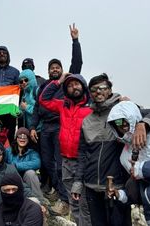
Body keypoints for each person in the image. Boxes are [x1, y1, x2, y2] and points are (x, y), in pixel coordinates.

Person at [71, 73, 150, 226]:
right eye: (94, 89)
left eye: (103, 87)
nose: (98, 92)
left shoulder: (122, 109)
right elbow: (83, 153)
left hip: (117, 185)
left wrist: (143, 124)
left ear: (109, 90)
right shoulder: (87, 121)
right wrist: (77, 182)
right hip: (91, 186)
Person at [30, 23, 82, 215]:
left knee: (61, 164)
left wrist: (75, 40)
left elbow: (77, 64)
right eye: (51, 67)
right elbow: (38, 107)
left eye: (57, 67)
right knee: (47, 163)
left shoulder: (66, 84)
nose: (54, 69)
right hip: (45, 129)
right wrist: (33, 127)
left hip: (62, 126)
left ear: (61, 70)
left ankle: (65, 199)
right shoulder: (44, 87)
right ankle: (61, 194)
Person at [39, 72, 91, 225]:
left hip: (84, 162)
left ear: (83, 85)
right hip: (66, 160)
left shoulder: (92, 106)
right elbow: (44, 99)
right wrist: (58, 81)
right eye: (69, 85)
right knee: (73, 200)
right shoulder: (63, 105)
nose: (73, 87)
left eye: (76, 84)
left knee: (85, 202)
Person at [5, 127, 44, 201]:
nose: (22, 139)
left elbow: (37, 163)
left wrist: (16, 165)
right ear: (16, 138)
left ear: (28, 139)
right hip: (12, 178)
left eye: (25, 137)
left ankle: (40, 201)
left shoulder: (32, 152)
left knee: (30, 173)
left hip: (27, 179)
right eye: (20, 137)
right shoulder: (8, 151)